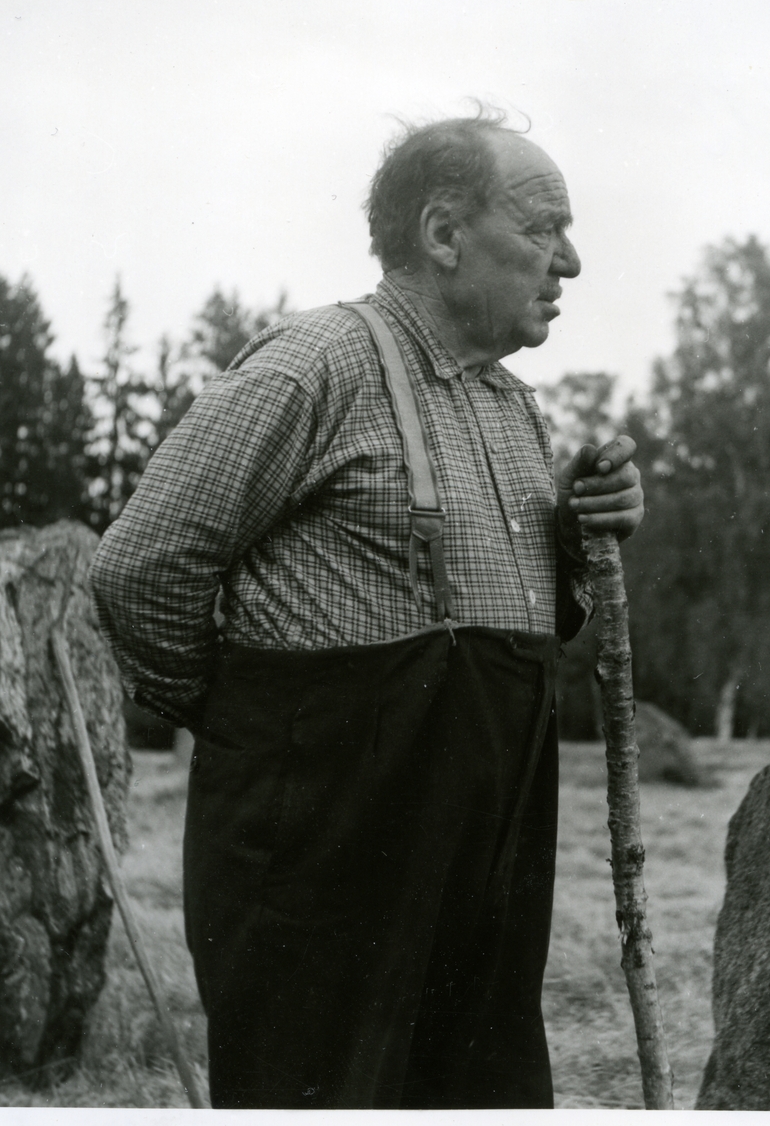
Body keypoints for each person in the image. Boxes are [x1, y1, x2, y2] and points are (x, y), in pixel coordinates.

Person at [90, 109, 645, 1110]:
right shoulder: (312, 367)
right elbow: (139, 568)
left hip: (482, 873)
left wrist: (573, 539)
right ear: (444, 233)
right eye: (544, 227)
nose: (571, 260)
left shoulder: (514, 409)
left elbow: (514, 634)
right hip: (318, 875)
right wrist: (251, 724)